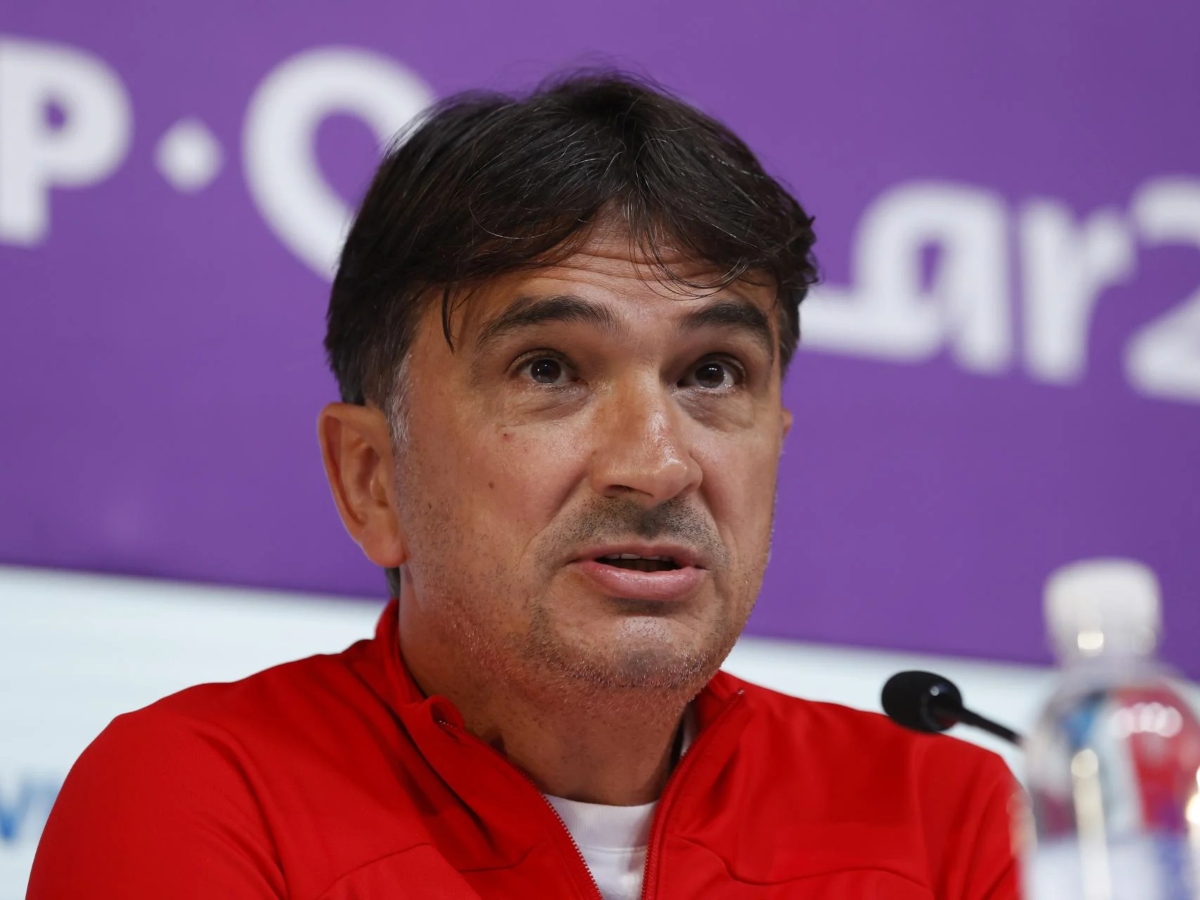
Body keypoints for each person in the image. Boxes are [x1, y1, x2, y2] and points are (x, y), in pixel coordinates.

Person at [28, 73, 1019, 899]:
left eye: (713, 374)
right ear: (371, 479)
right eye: (548, 369)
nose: (658, 465)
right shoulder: (203, 795)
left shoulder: (948, 818)